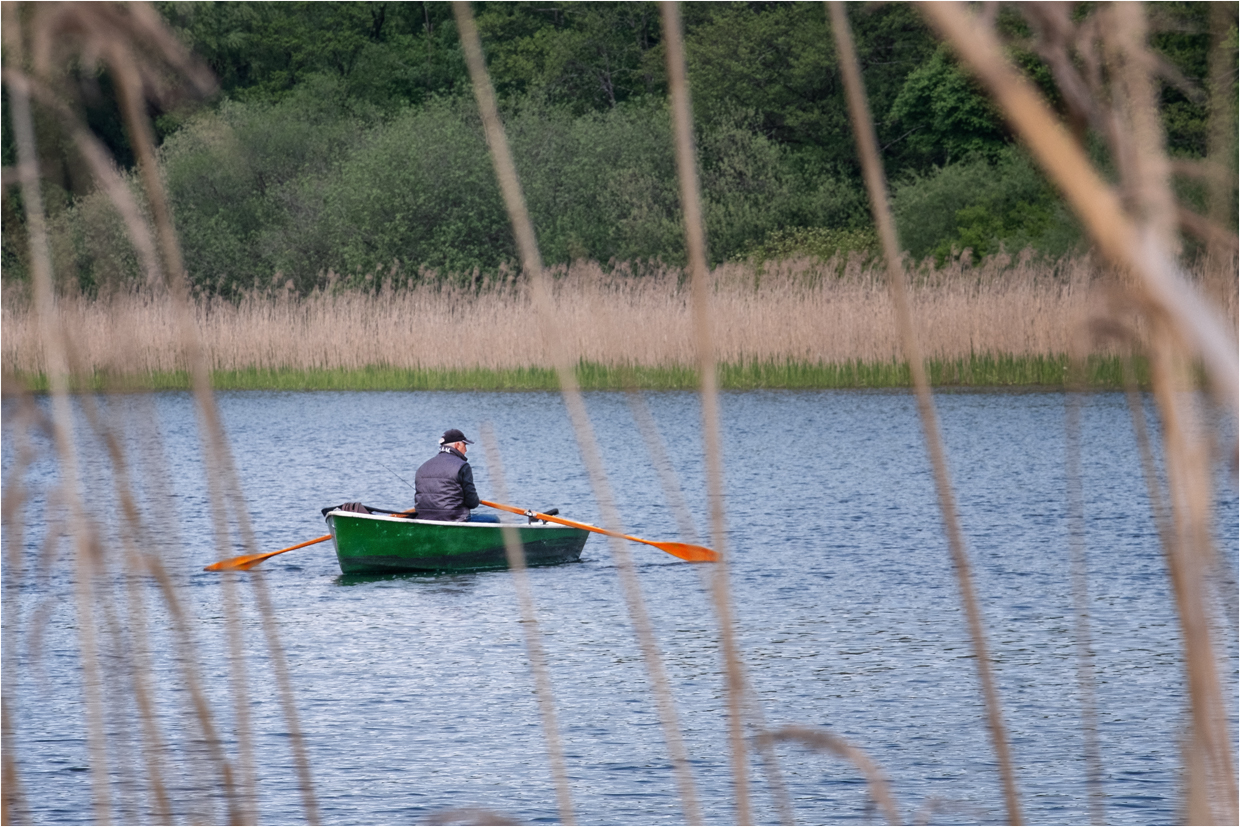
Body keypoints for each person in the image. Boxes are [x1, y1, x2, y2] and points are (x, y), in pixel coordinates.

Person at [414, 428, 481, 522]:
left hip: (424, 519)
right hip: (455, 519)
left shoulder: (422, 467)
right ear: (457, 445)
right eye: (464, 445)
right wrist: (475, 500)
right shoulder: (462, 466)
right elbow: (472, 503)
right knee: (493, 519)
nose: (466, 450)